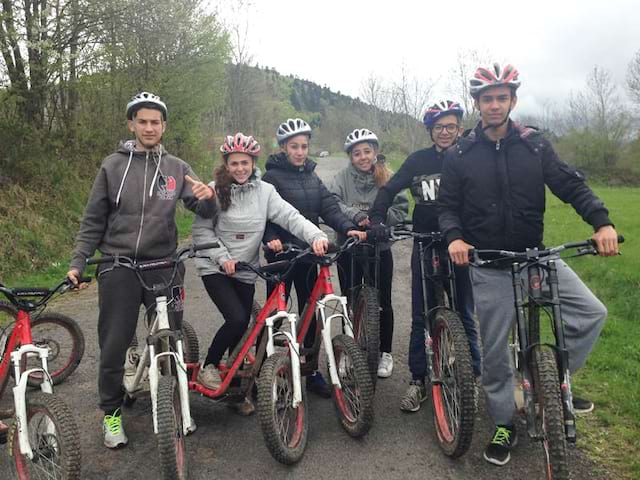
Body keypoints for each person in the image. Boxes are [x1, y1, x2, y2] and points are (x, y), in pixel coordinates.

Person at [438, 63, 619, 466]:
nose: (495, 105)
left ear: (513, 101)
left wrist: (602, 223)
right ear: (477, 105)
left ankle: (546, 382)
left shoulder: (535, 145)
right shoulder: (460, 154)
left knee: (591, 313)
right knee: (496, 353)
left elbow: (570, 185)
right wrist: (455, 238)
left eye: (502, 98)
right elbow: (448, 207)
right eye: (487, 99)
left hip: (534, 255)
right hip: (489, 263)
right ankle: (504, 421)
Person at [66, 92, 216, 449]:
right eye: (143, 121)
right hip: (118, 265)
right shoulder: (112, 166)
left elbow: (205, 210)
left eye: (156, 122)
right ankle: (112, 414)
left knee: (171, 340)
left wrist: (211, 199)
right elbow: (92, 221)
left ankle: (175, 405)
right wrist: (78, 261)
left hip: (163, 266)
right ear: (131, 124)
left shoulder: (177, 167)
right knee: (115, 344)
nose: (150, 128)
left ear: (164, 126)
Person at [191, 132, 329, 414]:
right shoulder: (214, 190)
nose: (240, 168)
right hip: (215, 268)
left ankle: (236, 391)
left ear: (254, 162)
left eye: (245, 162)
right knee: (238, 318)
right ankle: (208, 366)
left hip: (245, 269)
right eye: (234, 163)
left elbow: (291, 217)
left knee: (245, 329)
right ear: (226, 165)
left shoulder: (265, 191)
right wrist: (222, 257)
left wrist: (316, 236)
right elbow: (201, 230)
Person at [368, 100, 482, 412]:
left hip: (460, 244)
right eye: (438, 127)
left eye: (451, 126)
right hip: (425, 242)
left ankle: (472, 376)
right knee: (421, 314)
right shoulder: (418, 161)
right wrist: (377, 220)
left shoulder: (468, 157)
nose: (445, 132)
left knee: (464, 311)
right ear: (430, 130)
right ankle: (418, 380)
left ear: (459, 128)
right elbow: (388, 190)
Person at [262, 118, 367, 398]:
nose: (299, 152)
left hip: (310, 254)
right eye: (294, 146)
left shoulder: (311, 176)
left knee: (312, 315)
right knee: (276, 315)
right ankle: (269, 370)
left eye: (303, 146)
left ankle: (310, 371)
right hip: (281, 256)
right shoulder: (270, 178)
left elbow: (330, 209)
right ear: (283, 147)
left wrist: (347, 227)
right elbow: (263, 213)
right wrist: (270, 237)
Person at [328, 128, 408, 378]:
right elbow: (332, 203)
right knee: (349, 300)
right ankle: (349, 352)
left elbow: (401, 207)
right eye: (356, 153)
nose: (362, 157)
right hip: (348, 247)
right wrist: (357, 216)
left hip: (379, 248)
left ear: (375, 152)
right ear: (350, 157)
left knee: (383, 301)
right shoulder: (341, 178)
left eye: (367, 151)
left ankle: (385, 352)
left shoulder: (388, 176)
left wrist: (379, 222)